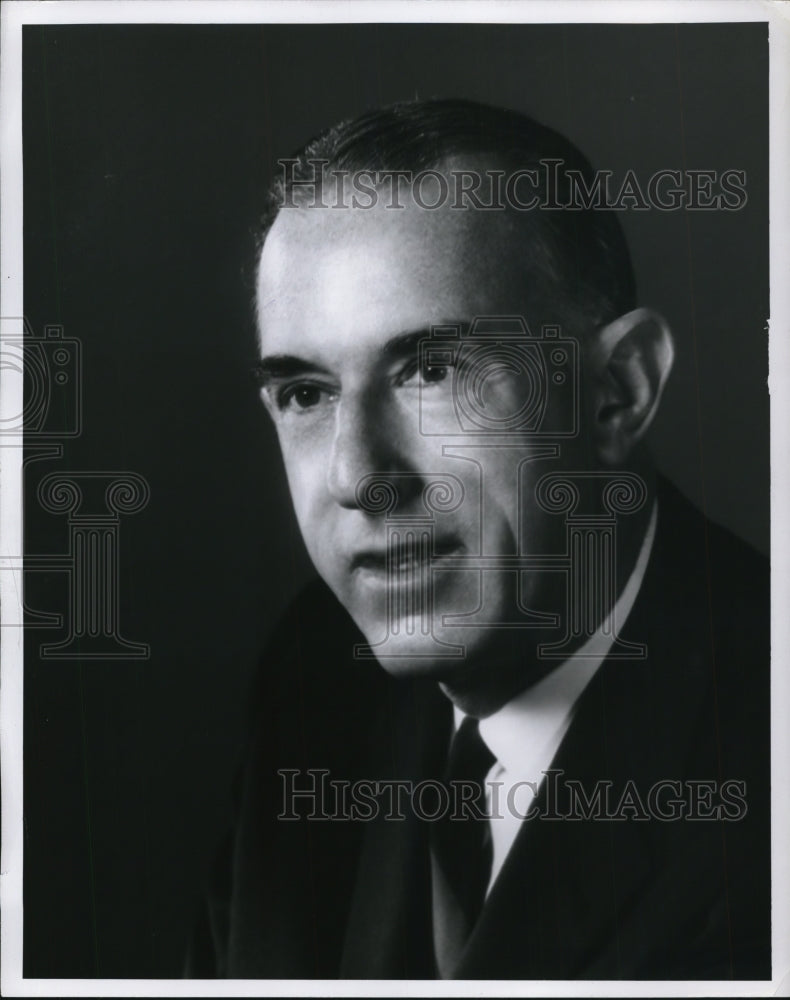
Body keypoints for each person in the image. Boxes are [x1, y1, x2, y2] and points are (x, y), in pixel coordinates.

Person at [185, 99, 770, 980]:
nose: (355, 476)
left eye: (431, 370)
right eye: (306, 393)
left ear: (618, 391)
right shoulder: (311, 683)